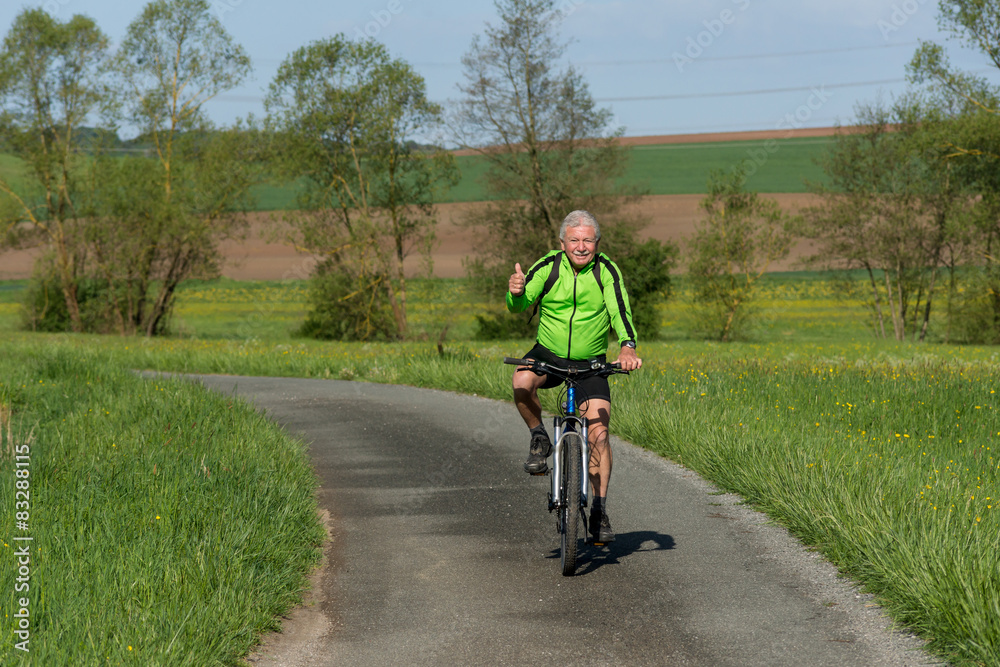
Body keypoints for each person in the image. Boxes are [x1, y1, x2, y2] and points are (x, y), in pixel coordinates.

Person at [506, 210, 642, 544]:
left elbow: (619, 310)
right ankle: (539, 436)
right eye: (574, 240)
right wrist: (517, 292)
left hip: (590, 363)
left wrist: (627, 347)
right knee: (521, 382)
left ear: (597, 242)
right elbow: (518, 306)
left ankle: (598, 511)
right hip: (548, 354)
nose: (581, 247)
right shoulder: (549, 265)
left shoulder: (606, 271)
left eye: (587, 240)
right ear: (562, 242)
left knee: (598, 434)